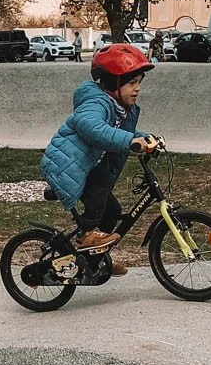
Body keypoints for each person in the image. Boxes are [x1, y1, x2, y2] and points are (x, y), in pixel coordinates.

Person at [41, 44, 159, 274]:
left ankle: (96, 259)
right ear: (113, 82)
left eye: (139, 83)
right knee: (97, 195)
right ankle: (87, 236)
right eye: (131, 83)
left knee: (112, 210)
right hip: (67, 168)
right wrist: (129, 142)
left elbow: (123, 132)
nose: (137, 89)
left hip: (86, 168)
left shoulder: (120, 108)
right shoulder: (95, 103)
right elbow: (92, 128)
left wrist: (145, 138)